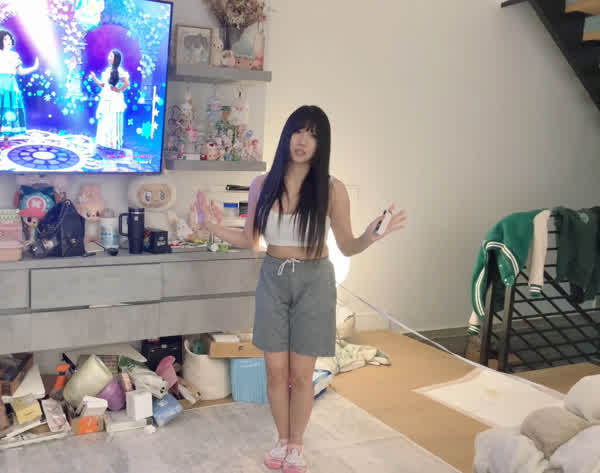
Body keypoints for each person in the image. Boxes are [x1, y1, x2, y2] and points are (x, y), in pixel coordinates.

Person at [200, 105, 406, 473]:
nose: (303, 141)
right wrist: (209, 225)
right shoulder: (263, 184)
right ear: (287, 135)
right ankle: (282, 440)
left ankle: (297, 444)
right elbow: (250, 239)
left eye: (313, 135)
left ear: (321, 144)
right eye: (298, 131)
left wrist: (370, 236)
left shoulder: (332, 188)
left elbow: (347, 245)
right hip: (273, 277)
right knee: (275, 372)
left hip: (315, 281)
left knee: (300, 375)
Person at [0, 30, 39, 148]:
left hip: (11, 87)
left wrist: (34, 67)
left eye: (9, 39)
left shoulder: (14, 55)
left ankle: (6, 140)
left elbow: (20, 72)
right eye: (5, 39)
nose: (8, 41)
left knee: (9, 112)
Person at [90, 50, 130, 150]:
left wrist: (118, 90)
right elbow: (103, 85)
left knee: (113, 120)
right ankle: (104, 142)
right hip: (106, 97)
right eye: (109, 56)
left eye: (111, 56)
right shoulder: (107, 70)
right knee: (105, 120)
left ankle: (113, 143)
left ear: (116, 59)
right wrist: (94, 78)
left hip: (114, 99)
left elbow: (127, 83)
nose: (109, 58)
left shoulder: (120, 70)